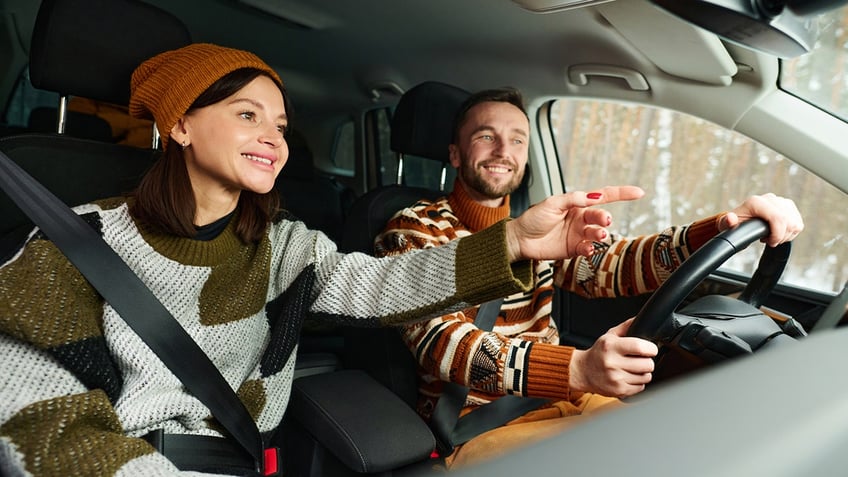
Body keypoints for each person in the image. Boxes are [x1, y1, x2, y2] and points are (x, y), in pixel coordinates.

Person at [0, 45, 642, 476]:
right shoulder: (72, 247)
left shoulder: (286, 246)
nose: (273, 138)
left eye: (281, 126)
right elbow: (42, 426)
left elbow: (383, 285)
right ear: (182, 126)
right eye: (247, 114)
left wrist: (514, 240)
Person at [374, 87, 804, 469]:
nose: (503, 149)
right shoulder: (412, 228)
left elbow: (620, 264)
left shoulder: (537, 226)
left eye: (518, 139)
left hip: (565, 399)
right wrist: (577, 368)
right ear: (455, 154)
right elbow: (442, 344)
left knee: (690, 447)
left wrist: (723, 226)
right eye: (486, 136)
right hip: (474, 427)